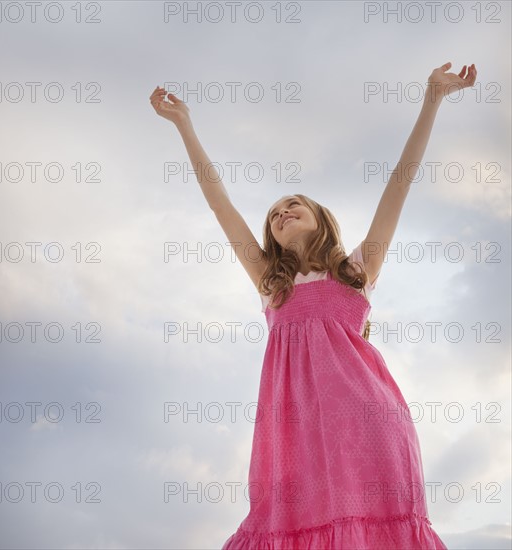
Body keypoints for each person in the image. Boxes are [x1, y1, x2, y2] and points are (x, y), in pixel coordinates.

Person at [150, 61, 477, 549]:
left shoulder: (355, 271)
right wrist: (185, 126)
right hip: (293, 438)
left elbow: (400, 183)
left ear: (320, 217)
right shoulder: (271, 284)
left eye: (292, 205)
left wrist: (433, 97)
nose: (282, 212)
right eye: (274, 215)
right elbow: (221, 205)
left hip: (367, 424)